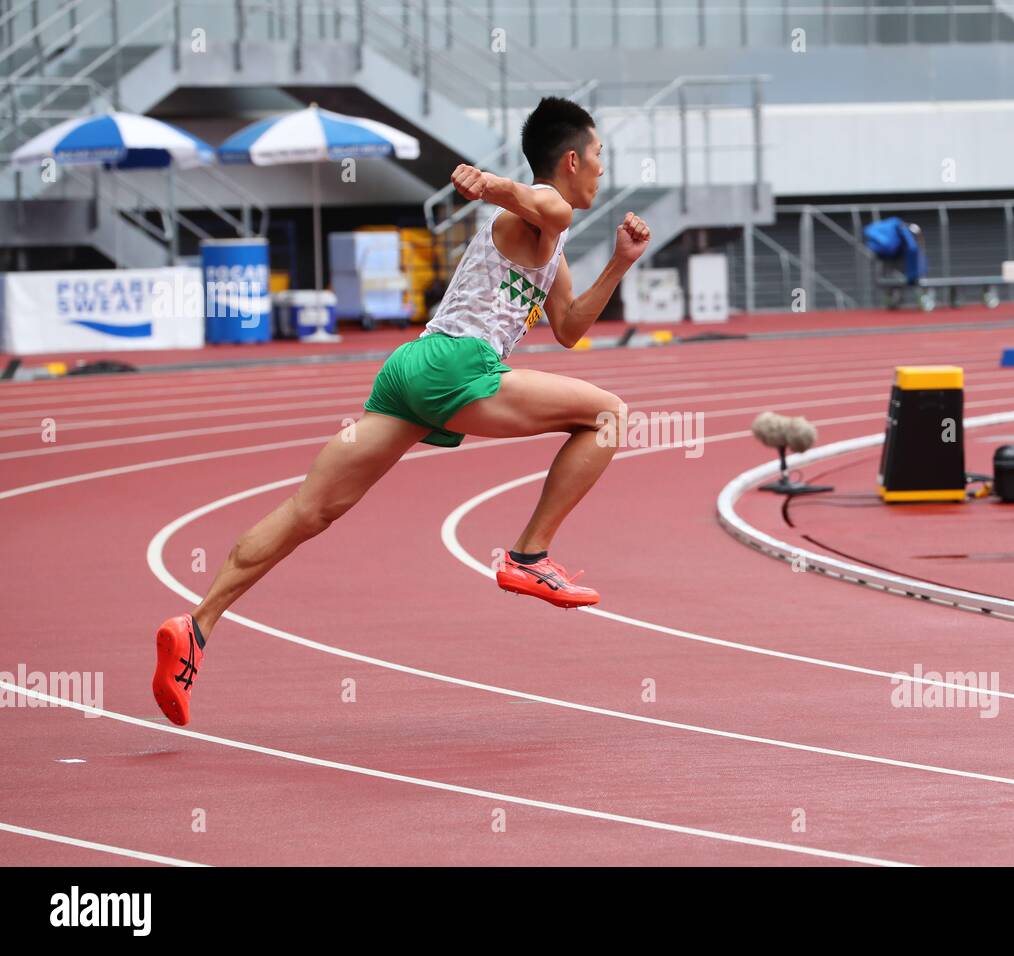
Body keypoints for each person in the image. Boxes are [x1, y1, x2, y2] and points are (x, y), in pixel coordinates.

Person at [152, 96, 651, 726]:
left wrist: (620, 263)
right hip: (458, 367)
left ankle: (195, 626)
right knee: (607, 414)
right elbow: (541, 201)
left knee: (311, 509)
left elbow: (570, 329)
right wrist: (491, 183)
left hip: (410, 369)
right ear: (572, 159)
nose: (603, 172)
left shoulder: (548, 246)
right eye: (600, 158)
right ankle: (528, 555)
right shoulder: (543, 211)